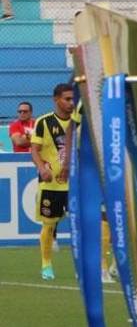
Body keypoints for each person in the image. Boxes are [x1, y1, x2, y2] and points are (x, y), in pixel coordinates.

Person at [30, 83, 76, 281]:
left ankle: (84, 266)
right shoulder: (44, 122)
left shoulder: (80, 122)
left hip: (76, 184)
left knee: (81, 225)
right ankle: (46, 265)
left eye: (73, 99)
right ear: (56, 99)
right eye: (67, 99)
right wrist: (41, 168)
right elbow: (34, 149)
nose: (71, 103)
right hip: (51, 184)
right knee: (49, 225)